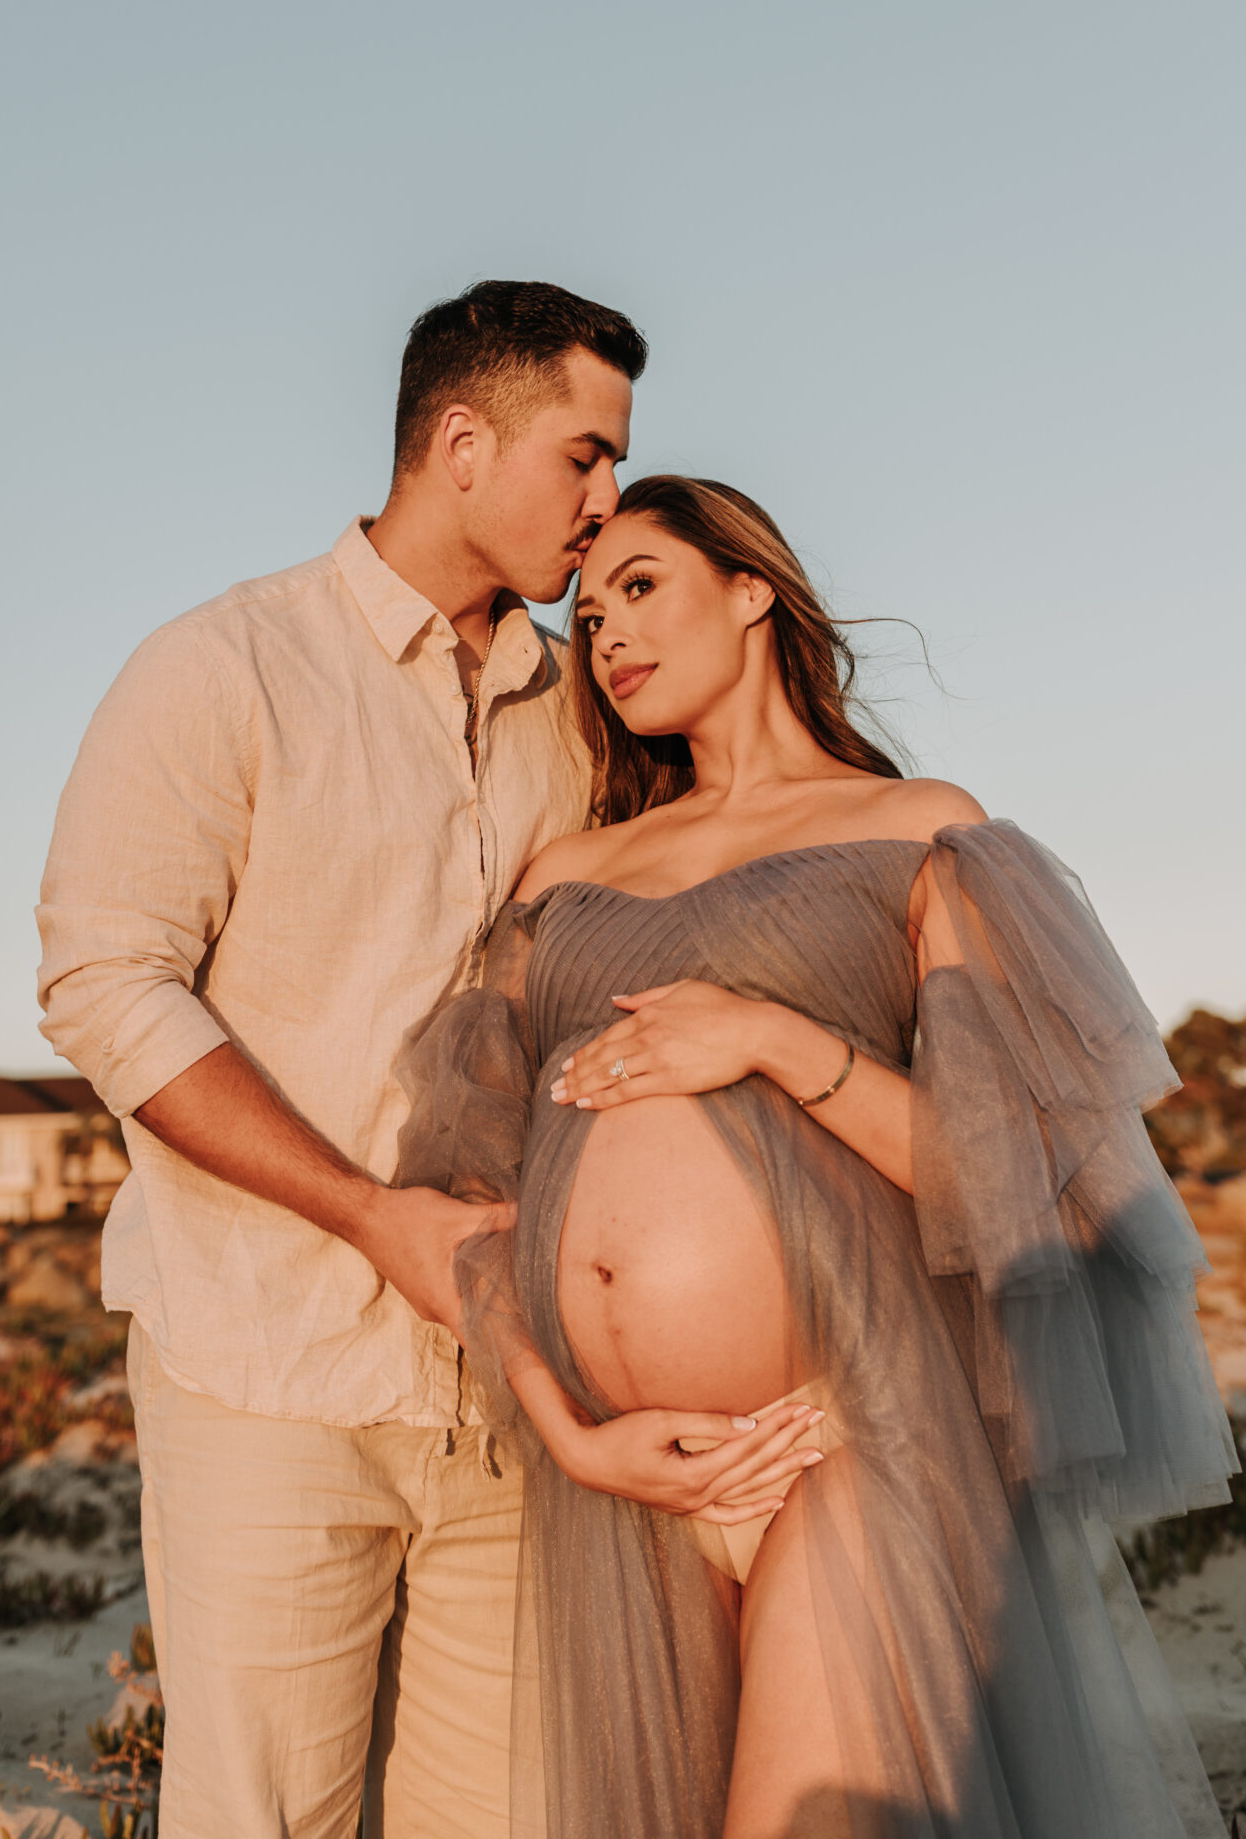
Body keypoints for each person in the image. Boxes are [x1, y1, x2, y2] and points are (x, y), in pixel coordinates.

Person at [396, 473, 1235, 1839]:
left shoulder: (922, 834)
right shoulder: (561, 875)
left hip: (844, 1437)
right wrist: (575, 1435)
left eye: (642, 587)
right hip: (626, 1484)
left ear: (752, 589)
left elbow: (1017, 1173)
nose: (605, 635)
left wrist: (776, 1041)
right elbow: (473, 1207)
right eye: (589, 610)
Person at [38, 280, 759, 1839]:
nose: (604, 503)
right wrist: (374, 1218)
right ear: (458, 443)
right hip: (265, 1367)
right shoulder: (222, 667)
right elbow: (106, 984)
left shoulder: (589, 715)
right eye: (582, 457)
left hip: (520, 1392)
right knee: (263, 1820)